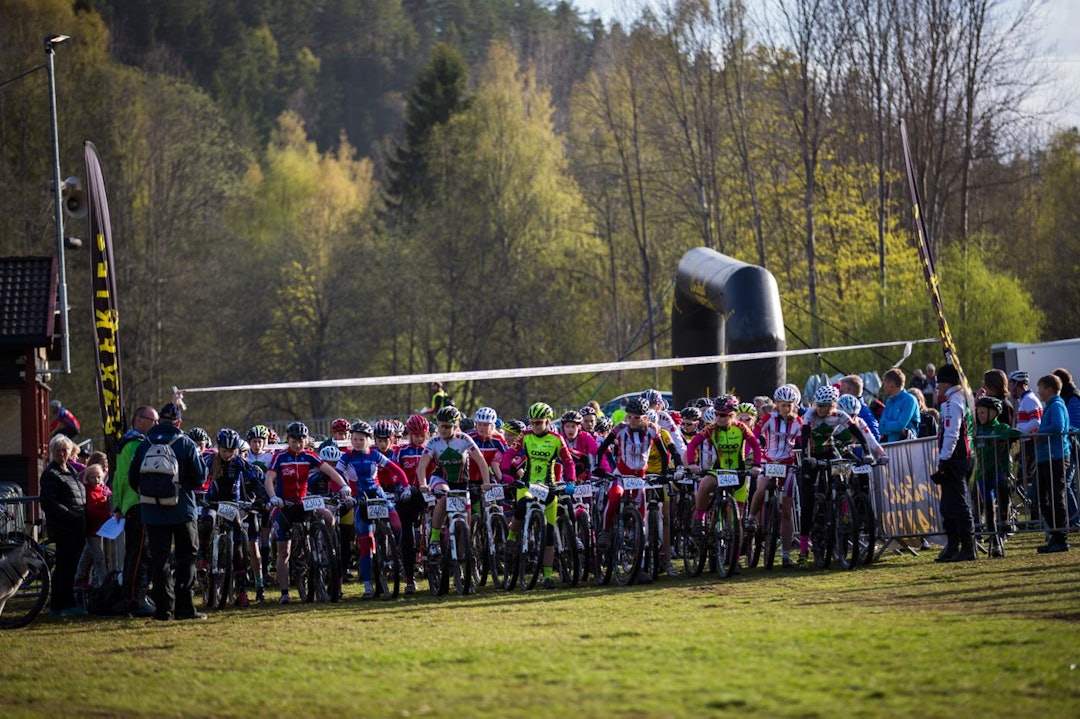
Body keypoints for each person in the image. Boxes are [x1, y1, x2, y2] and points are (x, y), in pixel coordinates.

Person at [129, 402, 209, 621]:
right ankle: (185, 609)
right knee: (187, 558)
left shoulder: (144, 444)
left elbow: (132, 478)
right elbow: (201, 477)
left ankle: (164, 610)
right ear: (179, 422)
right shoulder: (185, 443)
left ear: (159, 421)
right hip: (182, 510)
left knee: (159, 560)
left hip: (152, 512)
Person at [263, 421, 348, 604]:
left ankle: (326, 547)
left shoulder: (309, 456)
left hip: (303, 501)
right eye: (294, 440)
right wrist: (272, 497)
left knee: (328, 516)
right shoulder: (280, 456)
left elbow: (330, 471)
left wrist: (344, 485)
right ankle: (285, 592)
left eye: (301, 440)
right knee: (284, 551)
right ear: (289, 439)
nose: (298, 444)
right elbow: (269, 479)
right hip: (284, 505)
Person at [500, 402, 574, 588]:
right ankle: (511, 537)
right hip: (526, 483)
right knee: (523, 504)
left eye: (539, 423)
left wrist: (571, 481)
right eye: (532, 422)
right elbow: (509, 454)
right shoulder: (524, 436)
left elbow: (568, 461)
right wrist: (507, 474)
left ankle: (547, 576)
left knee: (549, 534)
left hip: (549, 487)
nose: (535, 426)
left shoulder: (557, 439)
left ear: (548, 422)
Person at [110, 406, 158, 615]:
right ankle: (135, 600)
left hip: (130, 505)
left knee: (133, 554)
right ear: (139, 420)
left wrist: (119, 505)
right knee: (140, 555)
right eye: (153, 420)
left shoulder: (124, 444)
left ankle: (132, 597)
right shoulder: (139, 444)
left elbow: (118, 477)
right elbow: (134, 476)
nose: (156, 424)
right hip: (140, 503)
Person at [931, 364, 976, 562]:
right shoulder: (963, 397)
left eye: (938, 381)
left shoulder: (951, 402)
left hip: (955, 458)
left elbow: (951, 432)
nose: (936, 386)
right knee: (949, 504)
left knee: (957, 504)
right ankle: (953, 546)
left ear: (947, 381)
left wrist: (944, 460)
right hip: (964, 457)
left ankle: (967, 547)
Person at [40, 434, 87, 617]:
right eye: (58, 450)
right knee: (65, 568)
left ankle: (59, 605)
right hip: (65, 527)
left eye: (64, 450)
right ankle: (65, 605)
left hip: (76, 527)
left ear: (70, 452)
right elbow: (48, 502)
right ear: (52, 452)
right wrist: (70, 515)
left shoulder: (71, 471)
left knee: (68, 567)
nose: (61, 453)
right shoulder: (51, 474)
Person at [973, 396, 1020, 557]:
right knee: (988, 508)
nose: (980, 415)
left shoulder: (1000, 428)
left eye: (983, 412)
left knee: (1002, 484)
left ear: (993, 412)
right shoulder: (977, 430)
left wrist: (1008, 437)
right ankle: (995, 544)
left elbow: (1015, 433)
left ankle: (1005, 518)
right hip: (982, 474)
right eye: (978, 412)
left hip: (999, 471)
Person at [1033, 374, 1071, 553]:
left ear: (1049, 389)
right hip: (1047, 457)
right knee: (1044, 498)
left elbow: (1058, 426)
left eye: (1040, 388)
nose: (1038, 391)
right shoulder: (1051, 406)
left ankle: (1061, 538)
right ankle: (1056, 536)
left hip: (1055, 457)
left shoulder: (1056, 405)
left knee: (1055, 498)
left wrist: (1038, 432)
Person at [1009, 370, 1043, 517]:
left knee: (1023, 483)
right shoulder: (1023, 399)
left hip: (1031, 445)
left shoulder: (1028, 399)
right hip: (1027, 445)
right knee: (1024, 483)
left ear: (1017, 384)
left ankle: (1036, 514)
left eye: (1011, 384)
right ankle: (1035, 514)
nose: (1009, 387)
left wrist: (1017, 432)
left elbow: (1037, 421)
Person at [74, 464, 112, 590]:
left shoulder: (102, 489)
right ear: (87, 478)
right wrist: (107, 515)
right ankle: (105, 582)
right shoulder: (88, 490)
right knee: (98, 556)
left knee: (88, 553)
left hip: (101, 527)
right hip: (92, 528)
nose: (96, 480)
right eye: (92, 477)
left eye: (98, 477)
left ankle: (79, 577)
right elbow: (92, 510)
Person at [1051, 367, 1080, 528]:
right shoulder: (1070, 396)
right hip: (1070, 445)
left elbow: (1075, 424)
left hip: (1073, 446)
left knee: (1066, 484)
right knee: (1070, 484)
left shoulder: (1073, 398)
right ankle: (1074, 518)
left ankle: (1074, 520)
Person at [878, 369, 919, 442]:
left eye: (884, 384)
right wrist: (894, 427)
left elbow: (900, 426)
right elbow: (880, 428)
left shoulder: (910, 400)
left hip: (907, 447)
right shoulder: (888, 401)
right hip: (890, 446)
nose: (883, 387)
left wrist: (886, 424)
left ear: (892, 384)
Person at [839, 375, 880, 440]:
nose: (839, 394)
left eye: (841, 391)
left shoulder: (863, 412)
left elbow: (875, 436)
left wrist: (859, 447)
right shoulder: (843, 409)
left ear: (850, 391)